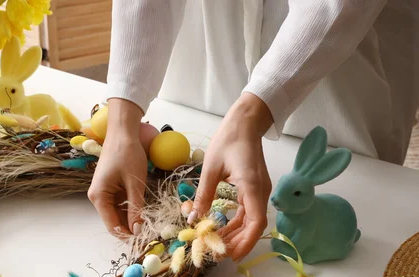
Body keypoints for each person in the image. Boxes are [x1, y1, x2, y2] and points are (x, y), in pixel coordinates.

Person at [88, 0, 419, 262]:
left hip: (340, 53)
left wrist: (251, 113)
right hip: (206, 43)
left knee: (375, 209)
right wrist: (122, 122)